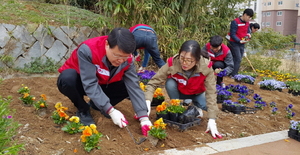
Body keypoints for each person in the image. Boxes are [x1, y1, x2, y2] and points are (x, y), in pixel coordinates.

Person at [56, 27, 152, 136]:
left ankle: (96, 105)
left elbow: (133, 86)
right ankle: (83, 109)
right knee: (67, 79)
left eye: (125, 57)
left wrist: (144, 117)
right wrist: (110, 110)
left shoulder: (128, 59)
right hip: (82, 83)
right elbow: (90, 83)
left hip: (105, 84)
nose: (121, 61)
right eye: (117, 56)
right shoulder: (88, 50)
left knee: (128, 85)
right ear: (107, 44)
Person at [144, 40, 222, 139]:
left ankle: (196, 107)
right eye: (182, 58)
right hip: (180, 92)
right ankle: (177, 108)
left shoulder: (206, 67)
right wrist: (147, 102)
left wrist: (212, 120)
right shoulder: (173, 63)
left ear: (197, 60)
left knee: (208, 107)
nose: (184, 63)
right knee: (170, 83)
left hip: (197, 93)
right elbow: (153, 83)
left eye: (189, 60)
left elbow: (211, 92)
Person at [227, 8, 254, 76]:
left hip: (242, 43)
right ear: (244, 15)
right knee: (237, 58)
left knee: (239, 58)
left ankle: (233, 73)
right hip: (234, 43)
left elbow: (248, 31)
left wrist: (248, 36)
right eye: (248, 17)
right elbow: (232, 34)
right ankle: (233, 74)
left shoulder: (247, 23)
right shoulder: (235, 22)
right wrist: (239, 41)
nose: (249, 19)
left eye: (250, 17)